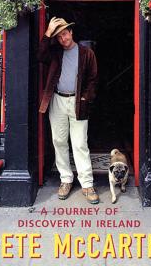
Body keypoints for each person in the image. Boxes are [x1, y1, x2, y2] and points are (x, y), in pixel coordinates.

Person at [38, 16, 99, 204]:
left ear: (71, 32)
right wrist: (48, 32)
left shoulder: (86, 53)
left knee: (80, 143)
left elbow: (93, 79)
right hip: (57, 100)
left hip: (77, 102)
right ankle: (66, 179)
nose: (63, 39)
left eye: (64, 34)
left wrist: (84, 97)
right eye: (59, 36)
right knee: (59, 141)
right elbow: (40, 55)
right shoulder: (55, 53)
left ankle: (87, 184)